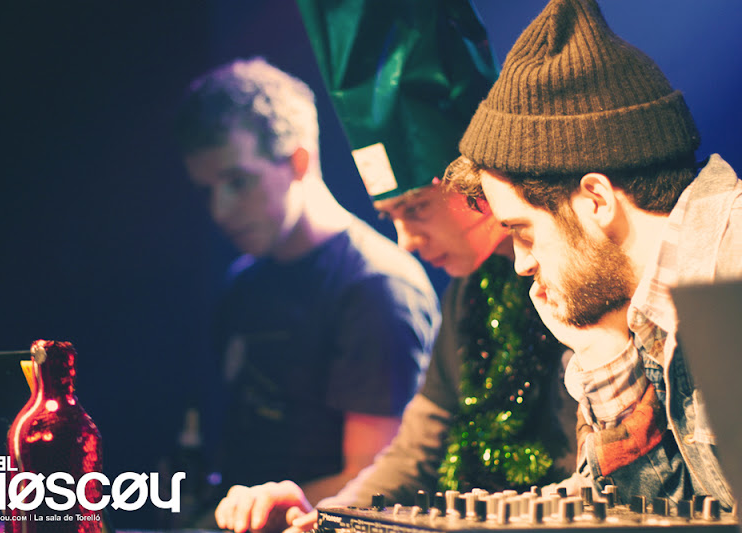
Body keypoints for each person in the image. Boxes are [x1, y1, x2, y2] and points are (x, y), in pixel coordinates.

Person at [211, 3, 578, 530]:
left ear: (478, 178)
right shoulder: (468, 293)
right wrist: (321, 520)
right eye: (391, 216)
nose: (405, 241)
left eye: (417, 207)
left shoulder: (578, 274)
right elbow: (415, 453)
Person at [444, 0, 740, 510]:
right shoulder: (647, 307)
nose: (521, 263)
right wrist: (605, 355)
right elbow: (669, 513)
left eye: (523, 231)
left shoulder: (728, 277)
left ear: (597, 200)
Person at [174, 57, 440, 517]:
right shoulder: (243, 283)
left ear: (299, 162)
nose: (220, 210)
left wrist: (243, 516)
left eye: (238, 182)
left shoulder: (376, 289)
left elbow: (376, 485)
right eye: (206, 190)